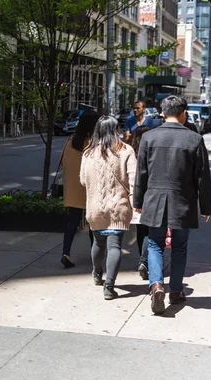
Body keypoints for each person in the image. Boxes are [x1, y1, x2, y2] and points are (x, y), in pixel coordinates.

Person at [134, 95, 211, 315]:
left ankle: (157, 285)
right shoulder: (194, 139)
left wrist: (137, 202)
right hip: (183, 201)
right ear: (183, 113)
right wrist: (205, 207)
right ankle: (176, 290)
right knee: (179, 247)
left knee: (155, 244)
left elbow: (141, 174)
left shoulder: (148, 138)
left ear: (162, 113)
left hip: (154, 200)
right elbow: (202, 178)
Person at [80, 116, 136, 300]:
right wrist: (136, 203)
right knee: (114, 247)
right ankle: (109, 286)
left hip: (95, 207)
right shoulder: (126, 150)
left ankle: (97, 274)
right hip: (118, 207)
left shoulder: (88, 153)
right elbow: (133, 180)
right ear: (116, 130)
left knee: (98, 243)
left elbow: (82, 180)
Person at [59, 110, 100, 269]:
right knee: (93, 224)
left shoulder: (70, 141)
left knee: (72, 222)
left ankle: (65, 253)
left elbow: (64, 163)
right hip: (90, 188)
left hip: (72, 189)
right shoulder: (93, 143)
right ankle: (95, 255)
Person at [128, 125, 151, 280]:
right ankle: (144, 261)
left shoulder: (130, 153)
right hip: (150, 196)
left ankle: (142, 259)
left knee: (140, 231)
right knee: (150, 231)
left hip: (135, 197)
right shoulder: (151, 153)